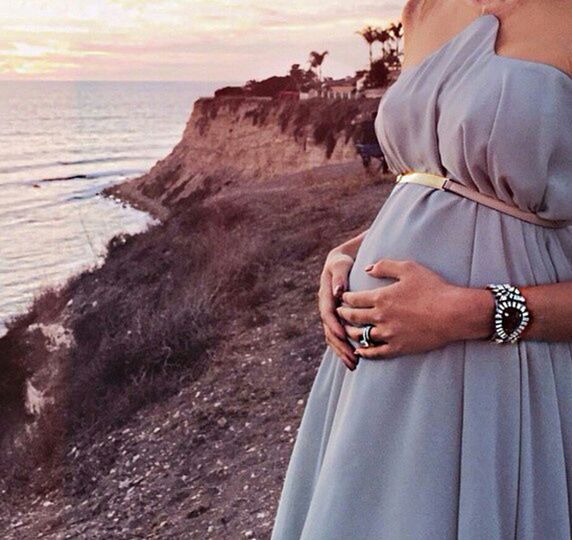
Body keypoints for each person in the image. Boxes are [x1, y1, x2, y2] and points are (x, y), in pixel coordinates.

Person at [270, 0, 572, 538]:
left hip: (501, 369)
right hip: (377, 368)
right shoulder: (424, 9)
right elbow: (439, 179)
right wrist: (350, 252)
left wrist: (469, 314)